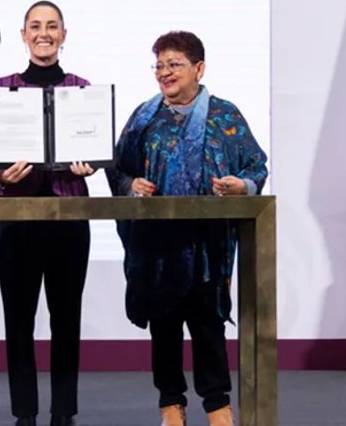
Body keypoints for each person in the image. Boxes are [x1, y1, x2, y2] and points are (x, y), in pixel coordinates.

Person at [106, 31, 268, 426]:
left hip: (207, 247)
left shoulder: (225, 116)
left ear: (199, 68)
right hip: (156, 247)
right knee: (164, 328)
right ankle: (171, 406)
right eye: (159, 65)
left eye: (173, 64)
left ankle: (218, 407)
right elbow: (118, 167)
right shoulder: (144, 118)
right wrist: (131, 186)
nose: (164, 73)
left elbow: (256, 167)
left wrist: (239, 186)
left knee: (208, 327)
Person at [0, 1, 94, 426]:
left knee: (67, 319)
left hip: (69, 219)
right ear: (23, 34)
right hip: (17, 219)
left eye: (52, 26)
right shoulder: (3, 87)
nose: (44, 33)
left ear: (64, 35)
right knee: (18, 320)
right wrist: (3, 171)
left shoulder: (82, 89)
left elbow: (94, 147)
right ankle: (25, 413)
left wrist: (92, 162)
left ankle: (64, 412)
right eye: (36, 26)